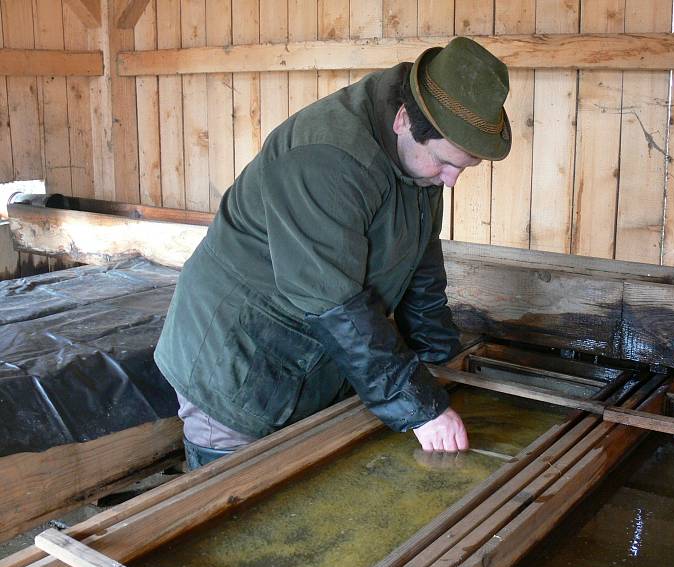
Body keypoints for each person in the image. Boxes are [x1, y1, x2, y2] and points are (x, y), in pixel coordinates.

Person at [154, 36, 512, 470]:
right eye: (446, 164)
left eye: (464, 167)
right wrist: (419, 407)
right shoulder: (326, 158)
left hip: (316, 356)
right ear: (403, 120)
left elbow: (421, 270)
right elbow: (335, 305)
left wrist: (444, 368)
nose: (452, 180)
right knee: (234, 507)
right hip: (239, 356)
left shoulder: (424, 159)